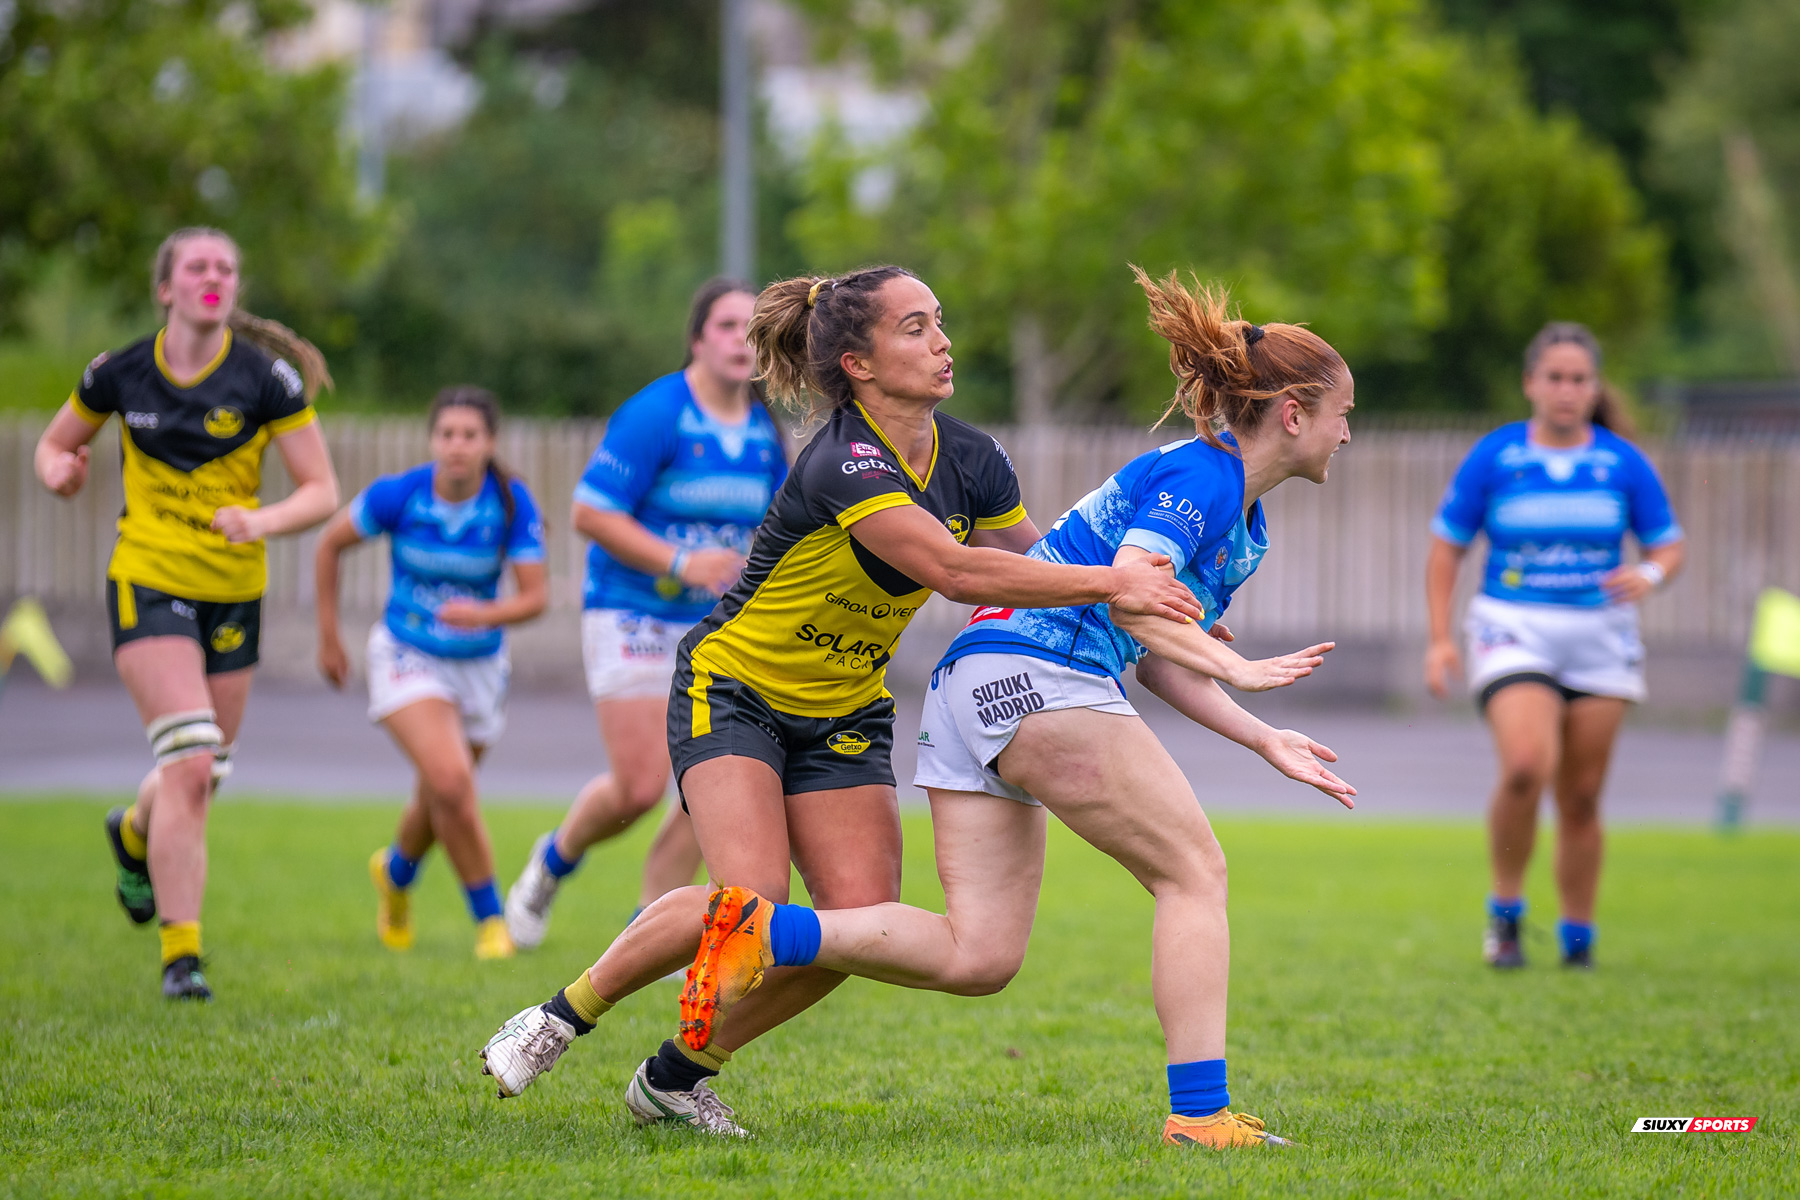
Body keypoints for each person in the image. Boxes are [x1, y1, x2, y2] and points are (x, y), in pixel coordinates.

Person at [477, 265, 1202, 1134]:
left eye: (939, 322)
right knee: (748, 898)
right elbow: (955, 570)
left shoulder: (974, 458)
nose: (942, 343)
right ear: (857, 363)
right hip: (736, 687)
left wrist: (1166, 620)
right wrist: (1113, 579)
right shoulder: (843, 459)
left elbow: (1040, 570)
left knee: (855, 927)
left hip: (847, 711)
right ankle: (562, 1015)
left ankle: (674, 1077)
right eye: (914, 328)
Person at [655, 269, 1358, 1148]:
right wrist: (1240, 666)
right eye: (1342, 413)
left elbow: (1148, 651)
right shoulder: (1206, 479)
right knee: (1193, 872)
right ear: (1292, 412)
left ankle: (772, 935)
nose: (1346, 432)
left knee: (979, 956)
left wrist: (1261, 736)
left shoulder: (1242, 518)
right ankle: (1201, 1115)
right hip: (1038, 673)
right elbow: (1130, 595)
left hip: (979, 685)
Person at [34, 226, 340, 1001]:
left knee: (200, 773)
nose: (215, 277)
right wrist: (59, 471)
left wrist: (261, 520)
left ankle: (131, 832)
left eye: (227, 268)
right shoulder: (119, 371)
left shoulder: (267, 379)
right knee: (193, 758)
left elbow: (320, 492)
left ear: (235, 289)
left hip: (234, 592)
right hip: (147, 577)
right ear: (165, 287)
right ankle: (182, 959)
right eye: (198, 266)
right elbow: (52, 445)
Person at [503, 279, 788, 952]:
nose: (738, 341)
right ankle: (551, 863)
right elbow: (588, 512)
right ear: (696, 339)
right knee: (637, 789)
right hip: (631, 613)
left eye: (750, 329)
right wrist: (678, 562)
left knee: (716, 779)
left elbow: (778, 530)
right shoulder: (658, 413)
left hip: (712, 629)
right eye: (724, 325)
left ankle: (649, 929)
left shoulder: (762, 429)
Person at [1424, 322, 1685, 970]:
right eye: (1555, 378)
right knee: (1525, 765)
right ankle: (1506, 915)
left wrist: (1649, 574)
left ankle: (1578, 934)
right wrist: (1438, 639)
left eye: (1579, 379)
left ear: (1594, 388)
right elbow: (1447, 548)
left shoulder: (1621, 462)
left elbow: (1668, 545)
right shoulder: (1497, 456)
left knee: (1583, 794)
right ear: (1531, 384)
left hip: (1601, 637)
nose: (1567, 391)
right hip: (1514, 626)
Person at [314, 387, 548, 960]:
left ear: (489, 442)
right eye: (447, 434)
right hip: (405, 654)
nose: (457, 446)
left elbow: (536, 598)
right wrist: (328, 635)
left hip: (480, 667)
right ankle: (491, 922)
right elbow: (329, 544)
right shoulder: (402, 494)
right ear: (432, 440)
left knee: (442, 792)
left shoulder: (510, 503)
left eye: (470, 435)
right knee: (451, 783)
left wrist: (483, 613)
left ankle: (395, 873)